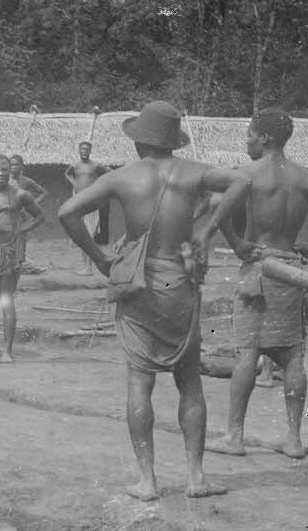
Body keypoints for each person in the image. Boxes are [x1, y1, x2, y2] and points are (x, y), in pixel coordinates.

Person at [57, 100, 247, 501]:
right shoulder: (193, 172)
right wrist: (206, 230)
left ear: (139, 141)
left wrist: (100, 259)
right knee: (189, 382)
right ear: (173, 141)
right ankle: (196, 478)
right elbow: (243, 182)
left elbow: (67, 212)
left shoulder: (121, 177)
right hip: (178, 281)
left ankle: (147, 481)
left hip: (138, 282)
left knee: (139, 381)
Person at [206, 110, 308, 460]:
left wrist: (236, 244)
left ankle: (234, 437)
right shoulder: (305, 177)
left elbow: (215, 205)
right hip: (292, 269)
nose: (246, 140)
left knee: (248, 352)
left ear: (265, 138)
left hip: (260, 266)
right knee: (293, 357)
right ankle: (293, 440)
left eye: (250, 134)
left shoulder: (247, 173)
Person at [0, 154, 45, 363]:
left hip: (6, 253)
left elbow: (40, 217)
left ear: (10, 170)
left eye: (4, 169)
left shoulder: (20, 195)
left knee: (6, 302)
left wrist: (20, 231)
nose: (1, 173)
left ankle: (7, 352)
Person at [65, 141, 112, 275]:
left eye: (87, 149)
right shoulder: (75, 165)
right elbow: (67, 173)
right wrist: (74, 183)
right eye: (82, 149)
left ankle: (89, 267)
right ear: (79, 151)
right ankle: (85, 266)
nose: (84, 151)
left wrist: (99, 186)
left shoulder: (96, 165)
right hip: (78, 201)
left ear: (90, 151)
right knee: (81, 234)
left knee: (89, 235)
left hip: (91, 202)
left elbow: (110, 172)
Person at [8, 154, 49, 275]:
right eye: (11, 164)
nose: (13, 167)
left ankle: (19, 265)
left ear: (22, 166)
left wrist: (31, 204)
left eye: (16, 164)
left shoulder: (26, 181)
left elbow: (44, 192)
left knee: (20, 238)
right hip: (7, 215)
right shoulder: (6, 179)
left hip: (19, 216)